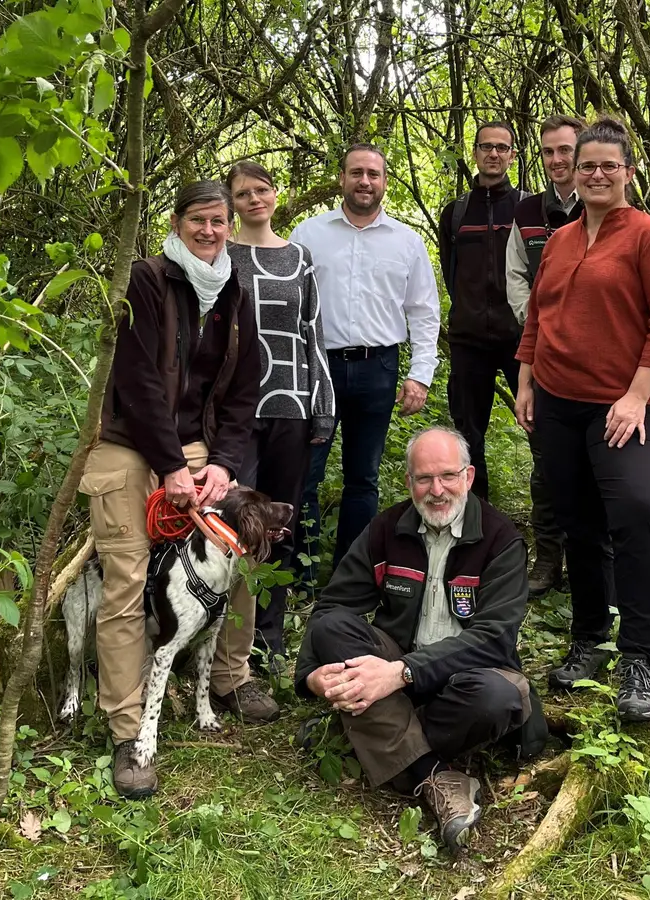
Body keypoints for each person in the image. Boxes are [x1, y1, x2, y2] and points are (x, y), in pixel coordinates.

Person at [80, 181, 270, 800]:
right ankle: (128, 730)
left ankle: (227, 680)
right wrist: (170, 469)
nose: (211, 231)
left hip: (197, 446)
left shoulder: (236, 291)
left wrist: (222, 463)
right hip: (128, 439)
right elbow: (135, 382)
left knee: (236, 552)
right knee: (128, 576)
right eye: (199, 220)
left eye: (219, 221)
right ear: (177, 221)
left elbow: (243, 392)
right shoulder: (148, 279)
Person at [514, 117, 650, 723]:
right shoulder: (561, 240)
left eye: (607, 166)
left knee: (637, 514)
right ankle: (589, 638)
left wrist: (638, 396)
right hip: (559, 402)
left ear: (627, 174)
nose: (594, 174)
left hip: (630, 405)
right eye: (585, 165)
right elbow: (538, 315)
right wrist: (527, 380)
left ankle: (640, 659)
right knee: (576, 521)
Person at [294, 426, 543, 851]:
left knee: (496, 699)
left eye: (447, 476)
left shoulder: (501, 540)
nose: (437, 490)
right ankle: (436, 775)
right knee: (333, 629)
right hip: (395, 659)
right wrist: (312, 676)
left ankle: (362, 728)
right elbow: (332, 609)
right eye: (424, 479)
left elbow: (492, 638)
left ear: (468, 476)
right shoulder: (387, 529)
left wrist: (401, 674)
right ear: (409, 482)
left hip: (469, 673)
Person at [289, 144, 440, 573]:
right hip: (318, 369)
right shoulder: (309, 234)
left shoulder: (407, 242)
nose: (365, 182)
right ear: (342, 178)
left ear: (385, 182)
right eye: (356, 173)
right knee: (307, 474)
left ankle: (349, 574)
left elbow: (424, 313)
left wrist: (420, 375)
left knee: (363, 478)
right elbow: (290, 302)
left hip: (379, 368)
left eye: (373, 174)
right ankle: (300, 573)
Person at [224, 161, 337, 668]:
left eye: (261, 190)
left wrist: (324, 407)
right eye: (242, 193)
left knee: (281, 522)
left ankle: (269, 637)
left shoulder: (300, 258)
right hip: (237, 409)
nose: (254, 199)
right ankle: (228, 638)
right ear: (231, 203)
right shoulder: (220, 255)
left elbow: (313, 333)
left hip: (291, 405)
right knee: (232, 522)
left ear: (275, 194)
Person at [504, 114, 586, 594]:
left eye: (566, 151)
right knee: (547, 467)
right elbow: (515, 275)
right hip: (543, 353)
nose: (557, 161)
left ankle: (586, 561)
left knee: (595, 472)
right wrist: (537, 320)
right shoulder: (528, 212)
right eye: (549, 152)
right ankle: (547, 560)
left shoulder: (606, 203)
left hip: (598, 360)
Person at [437, 121, 526, 502]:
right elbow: (449, 270)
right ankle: (477, 514)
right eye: (486, 146)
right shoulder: (455, 213)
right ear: (473, 152)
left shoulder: (528, 207)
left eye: (501, 148)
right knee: (468, 436)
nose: (493, 154)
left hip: (521, 338)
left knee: (542, 427)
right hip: (469, 339)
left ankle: (554, 528)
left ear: (512, 156)